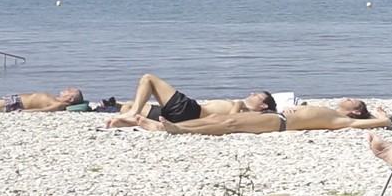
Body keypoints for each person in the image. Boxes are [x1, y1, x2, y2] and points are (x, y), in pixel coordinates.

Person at [137, 98, 392, 135]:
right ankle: (168, 127)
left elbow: (377, 123)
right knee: (217, 120)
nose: (348, 98)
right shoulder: (329, 110)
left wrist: (382, 118)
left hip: (279, 123)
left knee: (229, 123)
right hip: (276, 116)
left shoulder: (341, 120)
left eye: (353, 101)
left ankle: (180, 131)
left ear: (356, 110)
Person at [105, 73, 276, 128]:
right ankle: (129, 119)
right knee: (126, 105)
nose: (252, 93)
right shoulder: (244, 107)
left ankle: (132, 115)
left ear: (263, 105)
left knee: (148, 79)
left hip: (189, 111)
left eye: (257, 95)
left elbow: (229, 121)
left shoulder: (249, 113)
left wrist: (238, 104)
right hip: (183, 114)